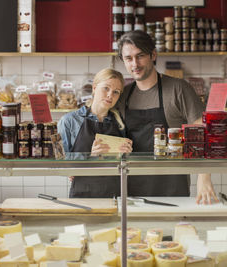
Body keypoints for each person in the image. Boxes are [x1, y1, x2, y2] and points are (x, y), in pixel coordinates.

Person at [116, 30, 218, 204]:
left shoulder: (178, 88)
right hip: (131, 188)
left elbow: (203, 129)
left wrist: (204, 176)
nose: (135, 64)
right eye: (128, 58)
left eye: (140, 56)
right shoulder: (123, 95)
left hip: (172, 186)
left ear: (153, 55)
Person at [58, 68, 133, 198]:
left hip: (115, 194)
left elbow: (124, 165)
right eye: (106, 88)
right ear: (94, 88)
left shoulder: (120, 123)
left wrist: (125, 155)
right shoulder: (69, 121)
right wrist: (89, 156)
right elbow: (59, 163)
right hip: (82, 194)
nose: (110, 95)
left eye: (116, 92)